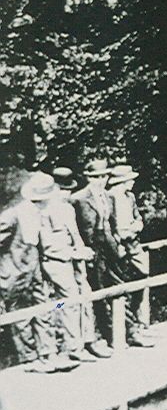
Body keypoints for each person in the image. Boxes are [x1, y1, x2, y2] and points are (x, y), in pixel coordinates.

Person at [0, 173, 77, 373]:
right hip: (14, 275)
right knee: (21, 318)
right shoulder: (12, 216)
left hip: (35, 273)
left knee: (44, 311)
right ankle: (30, 359)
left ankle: (49, 354)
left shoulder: (39, 213)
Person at [40, 168, 103, 363]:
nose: (67, 193)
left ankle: (88, 339)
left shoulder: (67, 209)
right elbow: (48, 247)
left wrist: (83, 251)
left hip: (75, 262)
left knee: (85, 296)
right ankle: (73, 346)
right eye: (62, 189)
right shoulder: (45, 212)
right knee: (67, 302)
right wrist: (74, 253)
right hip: (57, 264)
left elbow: (75, 236)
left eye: (69, 189)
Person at [70, 158, 116, 356]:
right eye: (96, 177)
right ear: (88, 177)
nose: (101, 180)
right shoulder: (78, 198)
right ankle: (95, 337)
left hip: (109, 250)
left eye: (104, 176)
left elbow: (111, 224)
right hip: (90, 252)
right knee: (92, 292)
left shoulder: (108, 197)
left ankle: (115, 333)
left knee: (114, 289)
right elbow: (75, 228)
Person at [105, 164, 154, 347]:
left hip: (133, 243)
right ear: (121, 181)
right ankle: (128, 330)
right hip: (118, 246)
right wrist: (119, 236)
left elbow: (138, 219)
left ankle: (136, 322)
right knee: (120, 285)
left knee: (142, 277)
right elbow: (108, 224)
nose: (133, 182)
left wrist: (135, 227)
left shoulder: (130, 197)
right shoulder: (109, 197)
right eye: (130, 179)